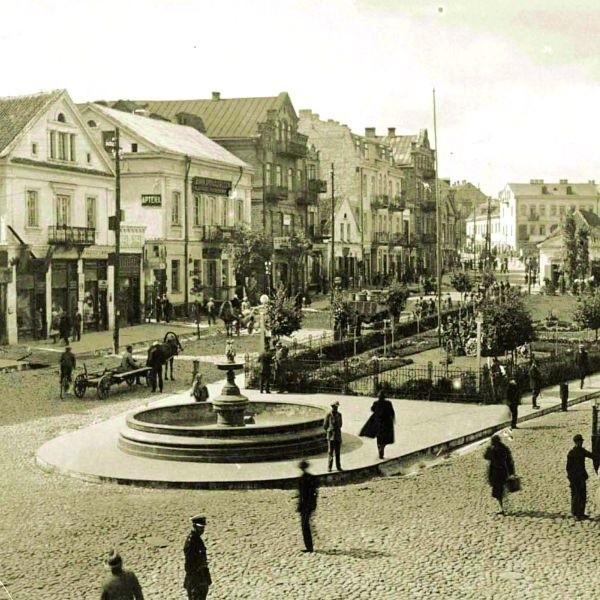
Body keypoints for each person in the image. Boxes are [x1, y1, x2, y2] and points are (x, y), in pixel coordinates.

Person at [484, 434, 515, 515]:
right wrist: (512, 473)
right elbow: (510, 462)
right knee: (502, 490)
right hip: (504, 472)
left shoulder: (493, 449)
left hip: (495, 473)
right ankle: (505, 507)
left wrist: (489, 448)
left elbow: (485, 456)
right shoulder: (504, 448)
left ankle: (503, 508)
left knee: (498, 492)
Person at [566, 434, 595, 521]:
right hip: (575, 477)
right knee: (575, 495)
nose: (581, 443)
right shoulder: (571, 453)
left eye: (581, 441)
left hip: (581, 476)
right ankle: (575, 513)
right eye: (579, 442)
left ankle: (581, 513)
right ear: (576, 442)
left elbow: (591, 455)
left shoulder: (582, 451)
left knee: (582, 495)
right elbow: (568, 467)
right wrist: (570, 478)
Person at [360, 390, 396, 459]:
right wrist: (393, 419)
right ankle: (382, 448)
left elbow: (372, 409)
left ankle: (380, 449)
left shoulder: (376, 403)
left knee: (379, 438)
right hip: (386, 423)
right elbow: (392, 412)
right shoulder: (388, 403)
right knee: (386, 438)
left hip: (378, 423)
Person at [183, 515, 212, 600]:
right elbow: (189, 564)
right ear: (194, 526)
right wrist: (194, 581)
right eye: (200, 528)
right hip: (195, 578)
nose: (202, 530)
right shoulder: (191, 542)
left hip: (201, 576)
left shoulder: (197, 539)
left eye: (203, 528)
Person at [297, 459, 318, 553]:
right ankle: (309, 546)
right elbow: (315, 492)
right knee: (306, 525)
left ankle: (309, 547)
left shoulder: (302, 479)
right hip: (309, 504)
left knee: (305, 525)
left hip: (305, 505)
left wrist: (299, 506)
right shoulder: (312, 478)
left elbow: (301, 495)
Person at [323, 400, 343, 472]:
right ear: (332, 407)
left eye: (337, 407)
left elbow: (340, 425)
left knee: (337, 452)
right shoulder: (328, 414)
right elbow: (325, 425)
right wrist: (329, 431)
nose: (336, 408)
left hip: (337, 435)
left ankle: (338, 467)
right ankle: (329, 467)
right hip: (331, 436)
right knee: (330, 452)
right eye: (334, 407)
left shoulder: (339, 414)